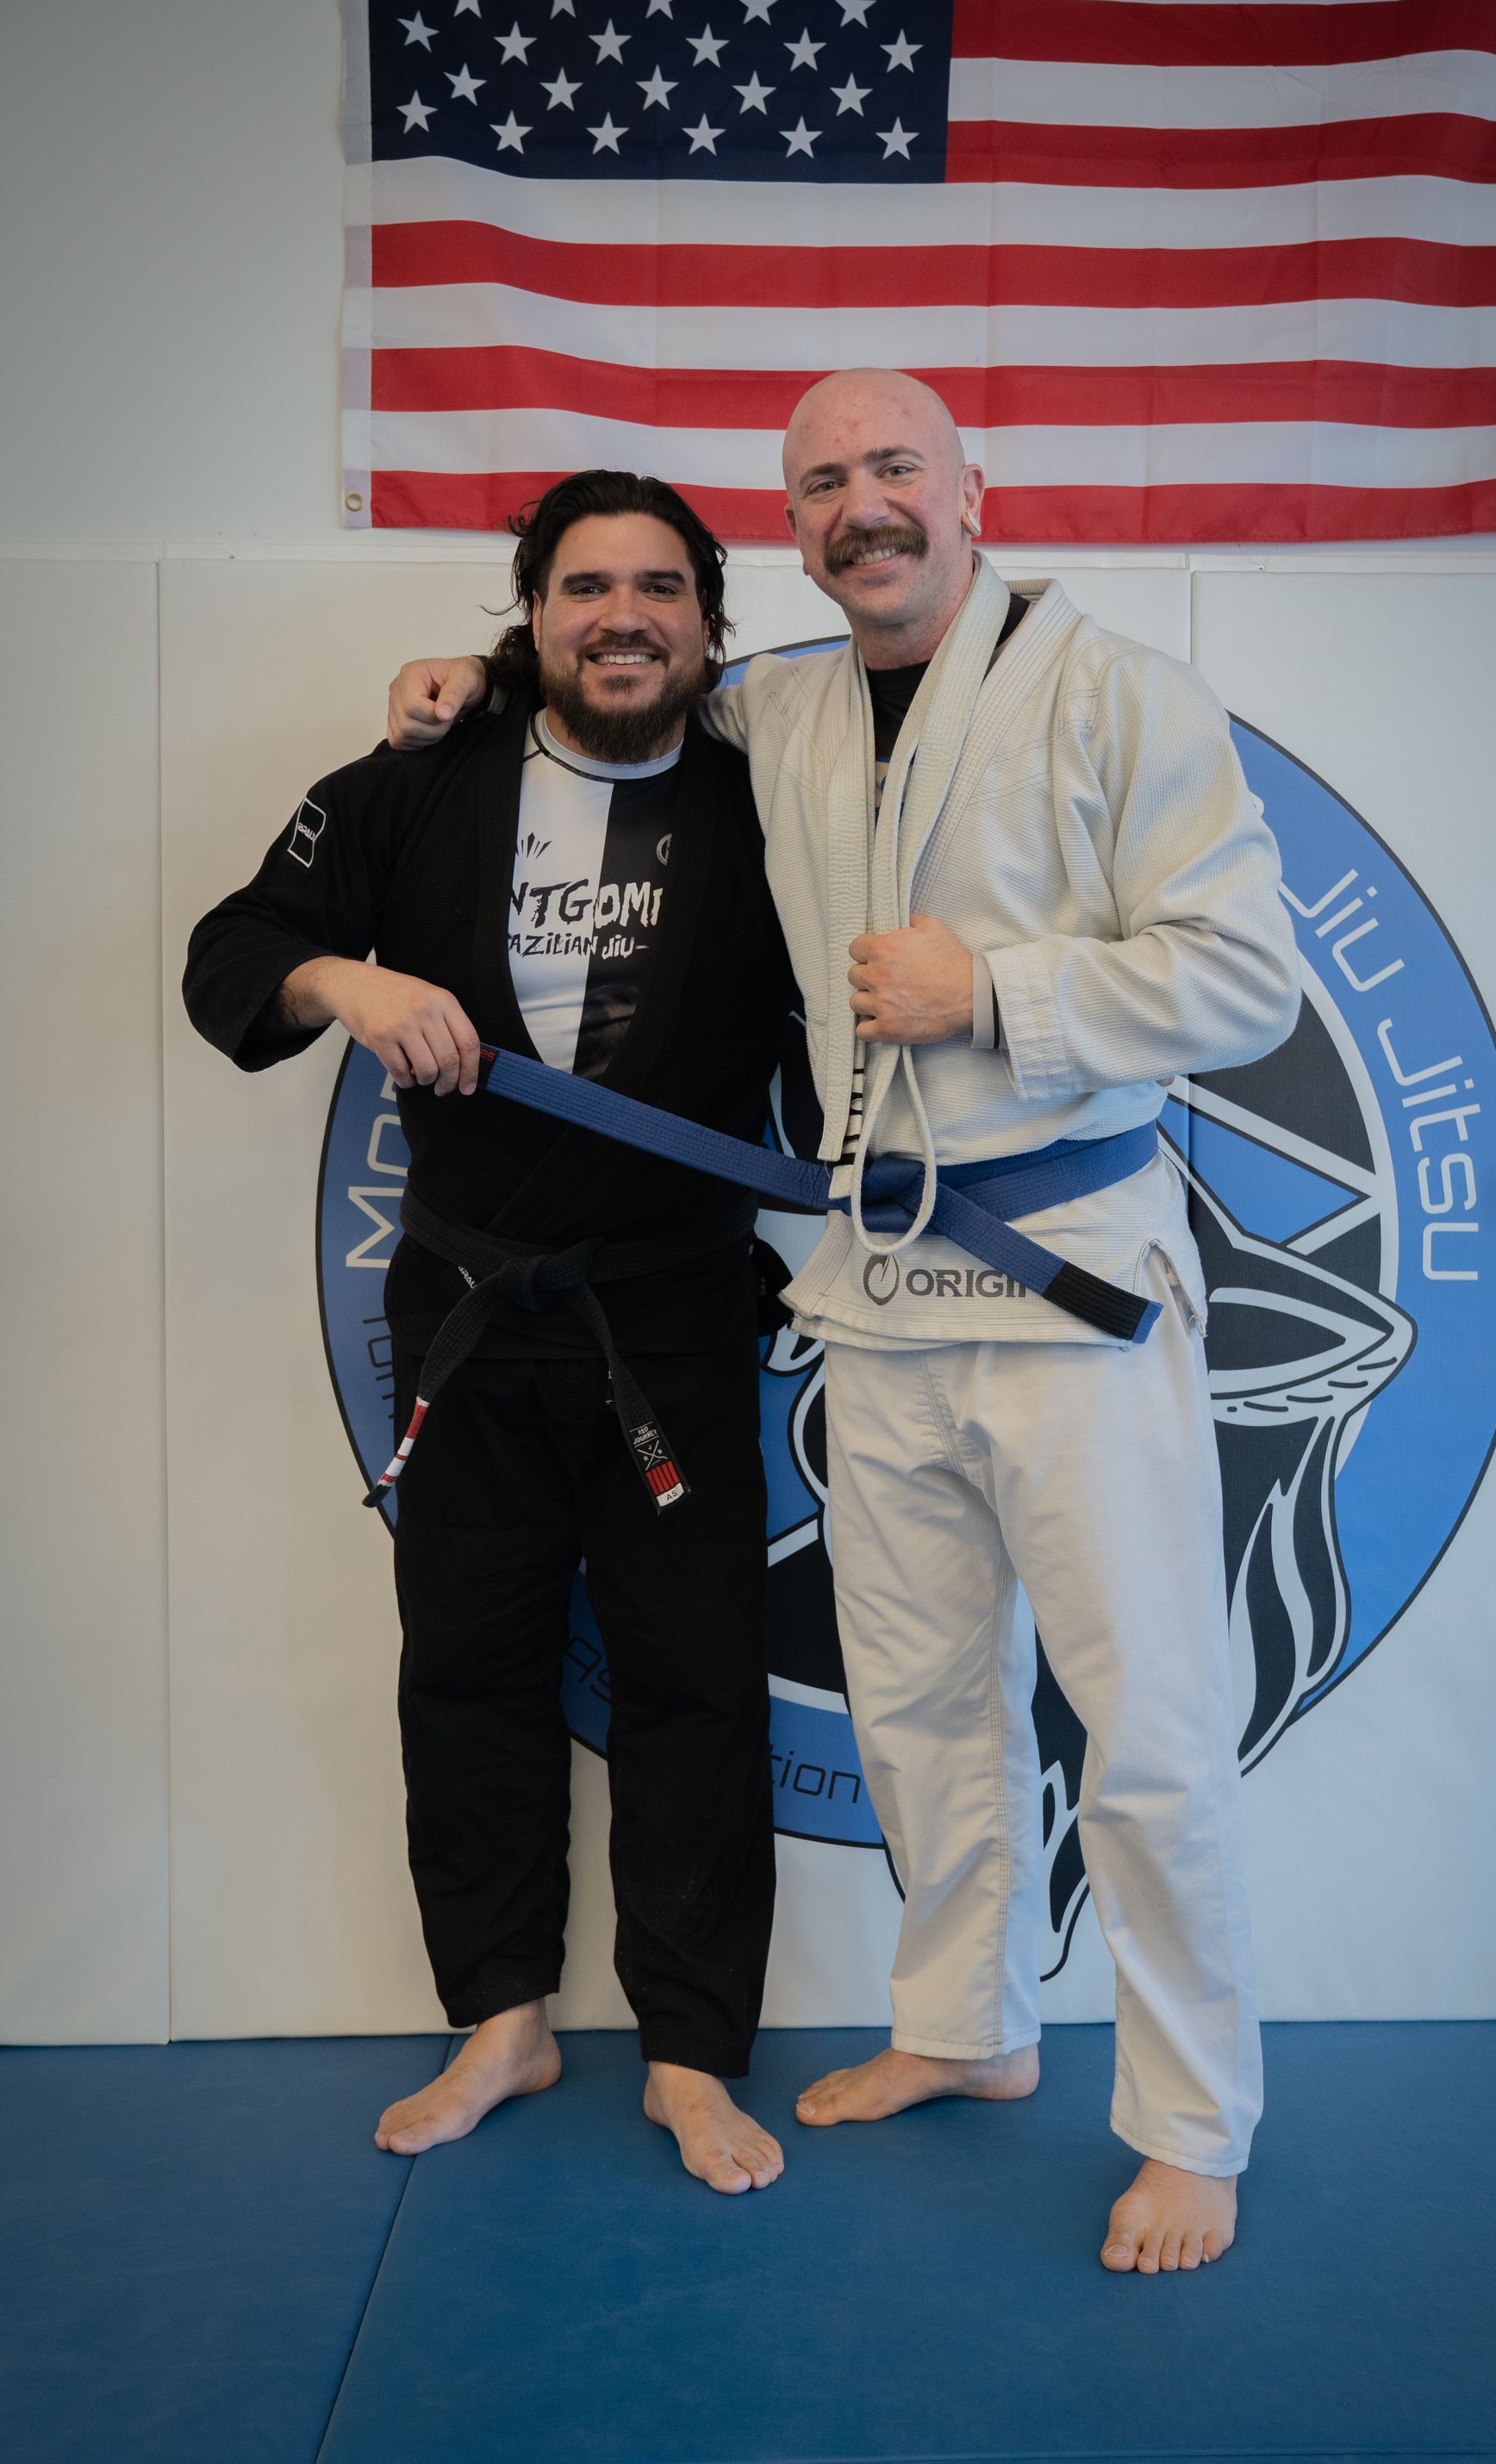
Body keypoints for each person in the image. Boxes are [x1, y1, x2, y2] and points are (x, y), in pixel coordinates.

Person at [384, 371, 1301, 2272]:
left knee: (1141, 1724)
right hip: (876, 1291)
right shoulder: (778, 704)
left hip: (1074, 1288)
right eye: (821, 482)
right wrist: (463, 691)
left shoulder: (1122, 691)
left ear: (978, 493)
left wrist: (1002, 990)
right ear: (792, 528)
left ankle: (1194, 2118)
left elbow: (1246, 980)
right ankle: (966, 2028)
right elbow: (604, 684)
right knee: (917, 1702)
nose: (860, 504)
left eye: (896, 468)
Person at [184, 471, 797, 2195]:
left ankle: (690, 2053)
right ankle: (505, 2020)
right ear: (529, 614)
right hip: (463, 1315)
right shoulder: (425, 779)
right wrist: (350, 984)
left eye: (662, 586)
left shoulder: (774, 798)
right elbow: (233, 956)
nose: (627, 614)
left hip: (669, 1321)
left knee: (692, 1690)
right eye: (589, 585)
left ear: (707, 618)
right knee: (467, 1676)